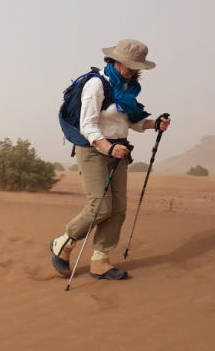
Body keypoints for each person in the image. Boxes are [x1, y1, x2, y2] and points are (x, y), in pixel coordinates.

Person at [50, 39, 171, 281]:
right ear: (115, 60)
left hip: (119, 151)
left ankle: (100, 261)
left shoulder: (127, 88)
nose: (134, 70)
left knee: (118, 209)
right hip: (94, 150)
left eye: (138, 67)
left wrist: (153, 123)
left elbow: (130, 122)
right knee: (100, 206)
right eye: (130, 65)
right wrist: (107, 146)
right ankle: (63, 242)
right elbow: (87, 125)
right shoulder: (96, 85)